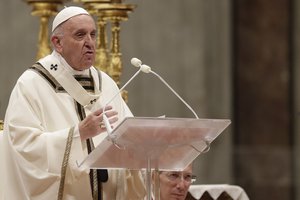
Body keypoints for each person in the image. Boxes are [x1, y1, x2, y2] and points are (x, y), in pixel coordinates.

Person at [1, 6, 145, 200]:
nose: (90, 43)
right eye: (80, 35)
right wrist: (78, 134)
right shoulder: (32, 84)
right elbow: (22, 147)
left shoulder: (105, 83)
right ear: (57, 43)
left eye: (93, 35)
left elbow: (131, 137)